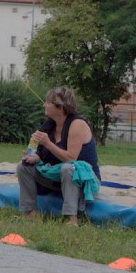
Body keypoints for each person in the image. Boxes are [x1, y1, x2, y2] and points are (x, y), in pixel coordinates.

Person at [16, 87, 101, 226]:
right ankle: (30, 212)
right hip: (58, 177)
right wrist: (35, 157)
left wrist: (48, 143)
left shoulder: (77, 124)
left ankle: (71, 218)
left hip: (83, 180)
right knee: (23, 167)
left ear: (60, 107)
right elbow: (43, 153)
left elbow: (71, 158)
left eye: (48, 102)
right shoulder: (50, 125)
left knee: (69, 168)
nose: (44, 105)